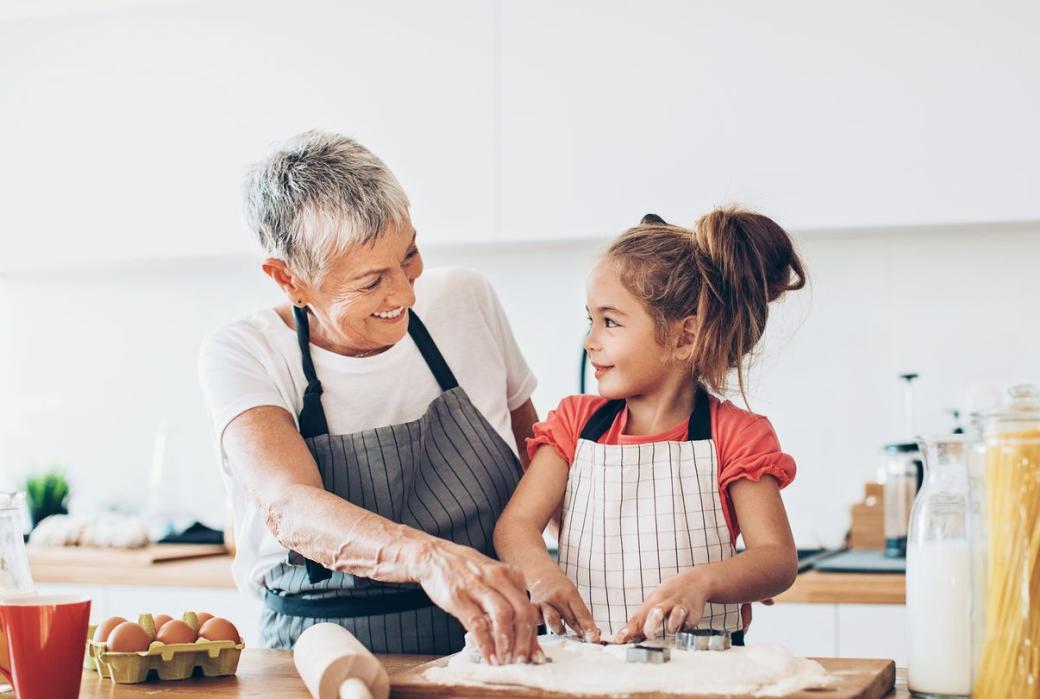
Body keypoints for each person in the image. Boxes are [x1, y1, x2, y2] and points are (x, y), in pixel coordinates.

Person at [199, 130, 542, 663]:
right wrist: (429, 560)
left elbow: (538, 457)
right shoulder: (243, 354)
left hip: (492, 640)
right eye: (371, 281)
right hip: (321, 655)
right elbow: (289, 505)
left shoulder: (466, 299)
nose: (404, 294)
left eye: (409, 256)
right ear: (289, 279)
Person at [494, 208, 805, 644]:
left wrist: (702, 583)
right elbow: (516, 526)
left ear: (684, 337)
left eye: (610, 321)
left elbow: (776, 559)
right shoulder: (574, 424)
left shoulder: (735, 435)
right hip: (587, 661)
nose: (590, 341)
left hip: (702, 668)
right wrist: (542, 575)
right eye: (591, 319)